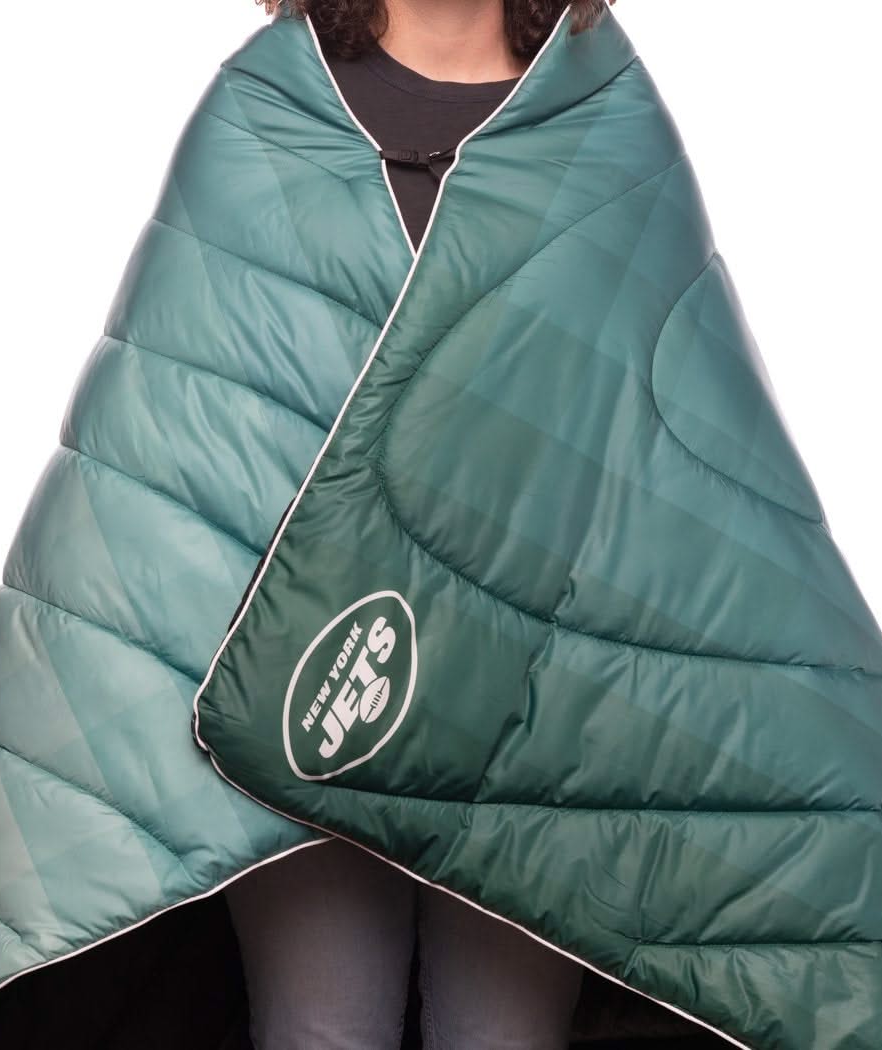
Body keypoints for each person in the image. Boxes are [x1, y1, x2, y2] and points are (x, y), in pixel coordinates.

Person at [222, 2, 619, 1047]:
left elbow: (657, 433)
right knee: (320, 1034)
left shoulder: (597, 111)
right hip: (316, 686)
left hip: (530, 711)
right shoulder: (274, 100)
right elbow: (200, 408)